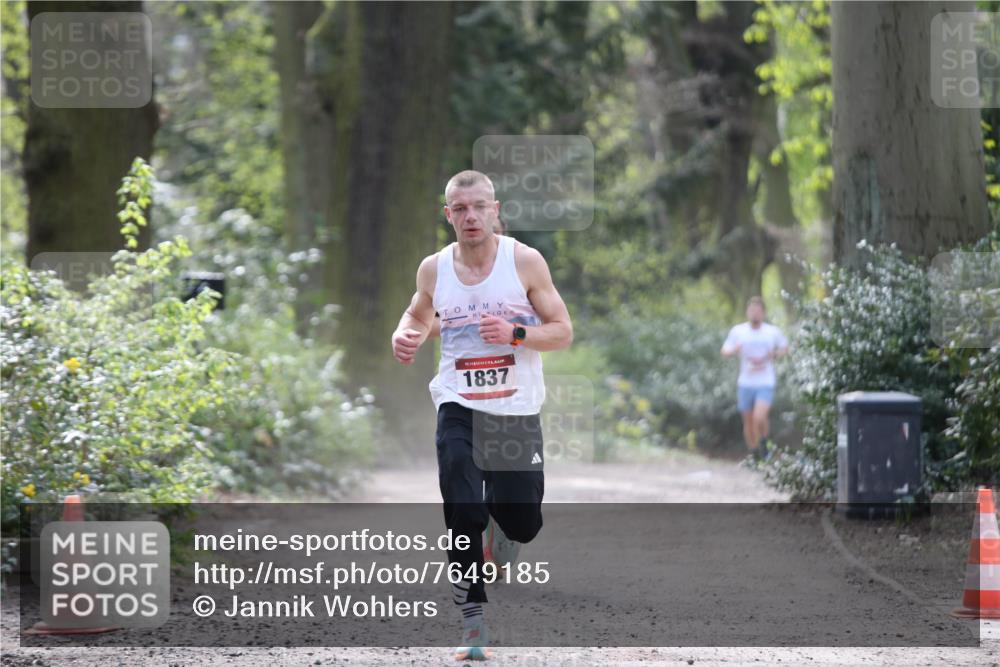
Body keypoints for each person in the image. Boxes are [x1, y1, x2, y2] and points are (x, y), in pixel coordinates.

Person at [390, 170, 573, 660]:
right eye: (460, 208)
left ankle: (503, 531)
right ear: (447, 214)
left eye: (479, 207)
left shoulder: (525, 262)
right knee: (461, 506)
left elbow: (561, 331)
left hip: (513, 410)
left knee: (523, 523)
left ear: (496, 211)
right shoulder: (433, 269)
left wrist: (515, 333)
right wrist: (405, 333)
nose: (470, 216)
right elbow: (420, 314)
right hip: (458, 404)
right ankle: (473, 624)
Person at [721, 296, 788, 460]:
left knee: (760, 416)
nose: (754, 314)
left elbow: (785, 348)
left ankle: (764, 447)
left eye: (757, 311)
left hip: (765, 381)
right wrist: (734, 350)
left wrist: (775, 354)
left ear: (763, 313)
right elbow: (725, 351)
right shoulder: (738, 331)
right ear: (747, 312)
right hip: (745, 382)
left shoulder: (772, 332)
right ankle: (753, 453)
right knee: (749, 421)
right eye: (751, 310)